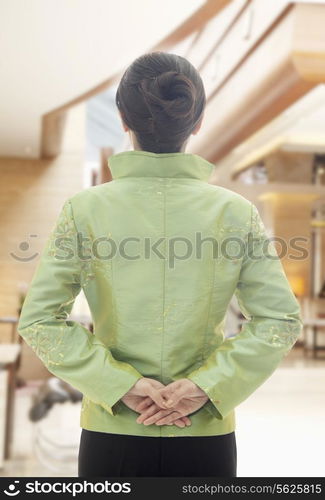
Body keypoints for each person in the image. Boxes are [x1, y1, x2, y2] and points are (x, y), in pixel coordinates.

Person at [17, 51, 303, 477]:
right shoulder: (236, 212)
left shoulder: (85, 209)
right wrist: (205, 388)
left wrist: (122, 386)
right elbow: (279, 319)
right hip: (204, 430)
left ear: (122, 118)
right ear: (197, 122)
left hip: (112, 429)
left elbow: (40, 320)